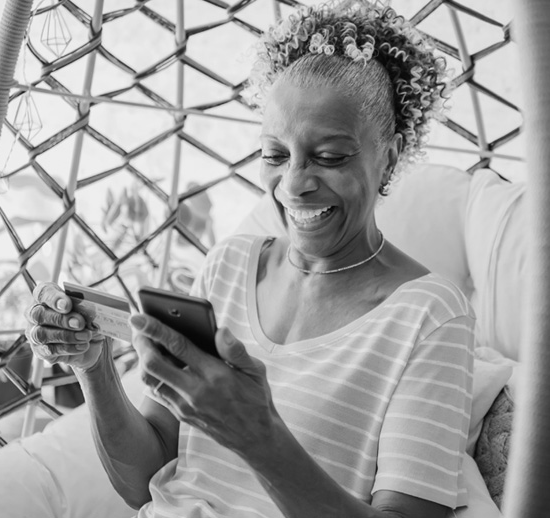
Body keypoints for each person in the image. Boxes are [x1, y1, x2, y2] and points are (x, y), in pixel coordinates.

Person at [24, 3, 475, 517]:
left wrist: (258, 438)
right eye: (275, 155)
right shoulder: (230, 266)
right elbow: (144, 482)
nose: (294, 184)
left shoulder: (430, 316)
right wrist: (94, 366)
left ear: (389, 157)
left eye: (329, 157)